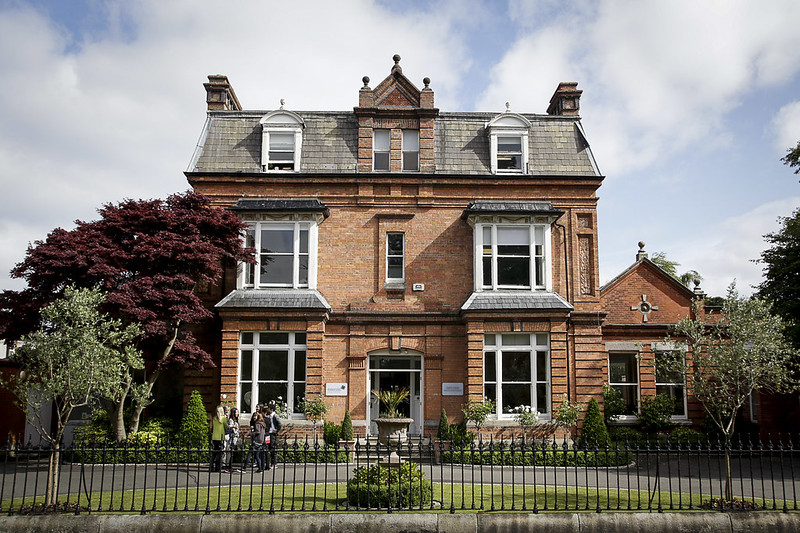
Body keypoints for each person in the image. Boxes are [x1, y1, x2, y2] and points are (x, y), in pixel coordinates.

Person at [210, 405, 228, 473]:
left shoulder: (214, 418)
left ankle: (211, 466)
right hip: (220, 437)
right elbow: (226, 426)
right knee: (219, 454)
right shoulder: (223, 418)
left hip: (214, 437)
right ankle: (218, 467)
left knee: (214, 453)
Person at [264, 401, 282, 469]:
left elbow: (280, 424)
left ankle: (274, 463)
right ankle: (269, 463)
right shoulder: (268, 416)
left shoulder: (275, 416)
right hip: (268, 433)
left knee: (273, 448)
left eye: (268, 408)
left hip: (272, 434)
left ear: (271, 410)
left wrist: (277, 430)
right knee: (268, 447)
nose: (267, 410)